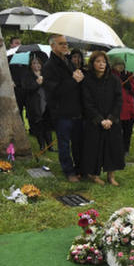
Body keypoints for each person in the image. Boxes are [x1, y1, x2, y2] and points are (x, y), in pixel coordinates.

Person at [42, 35, 84, 181]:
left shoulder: (68, 62)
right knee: (64, 143)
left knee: (78, 142)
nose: (65, 46)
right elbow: (55, 90)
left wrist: (78, 76)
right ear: (53, 46)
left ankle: (79, 168)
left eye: (66, 44)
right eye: (61, 44)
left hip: (76, 110)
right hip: (61, 112)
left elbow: (75, 81)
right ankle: (68, 171)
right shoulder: (49, 66)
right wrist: (73, 80)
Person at [81, 51, 125, 186]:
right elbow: (87, 102)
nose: (101, 64)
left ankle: (111, 176)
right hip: (95, 121)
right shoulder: (87, 80)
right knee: (94, 148)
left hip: (112, 121)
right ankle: (93, 175)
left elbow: (119, 100)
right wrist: (100, 120)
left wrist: (110, 119)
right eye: (98, 61)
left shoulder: (114, 79)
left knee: (113, 148)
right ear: (92, 63)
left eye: (104, 62)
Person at [16, 53, 52, 152]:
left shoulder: (45, 73)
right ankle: (42, 145)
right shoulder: (27, 75)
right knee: (38, 124)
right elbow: (27, 88)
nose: (36, 65)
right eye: (34, 63)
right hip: (34, 104)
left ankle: (50, 146)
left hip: (45, 101)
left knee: (47, 124)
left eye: (38, 63)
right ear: (30, 65)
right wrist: (37, 83)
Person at [112, 60, 134, 157]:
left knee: (128, 131)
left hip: (129, 109)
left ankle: (126, 149)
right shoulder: (112, 75)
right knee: (117, 132)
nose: (120, 66)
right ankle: (117, 149)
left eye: (122, 64)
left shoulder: (128, 75)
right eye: (118, 64)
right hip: (118, 109)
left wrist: (129, 85)